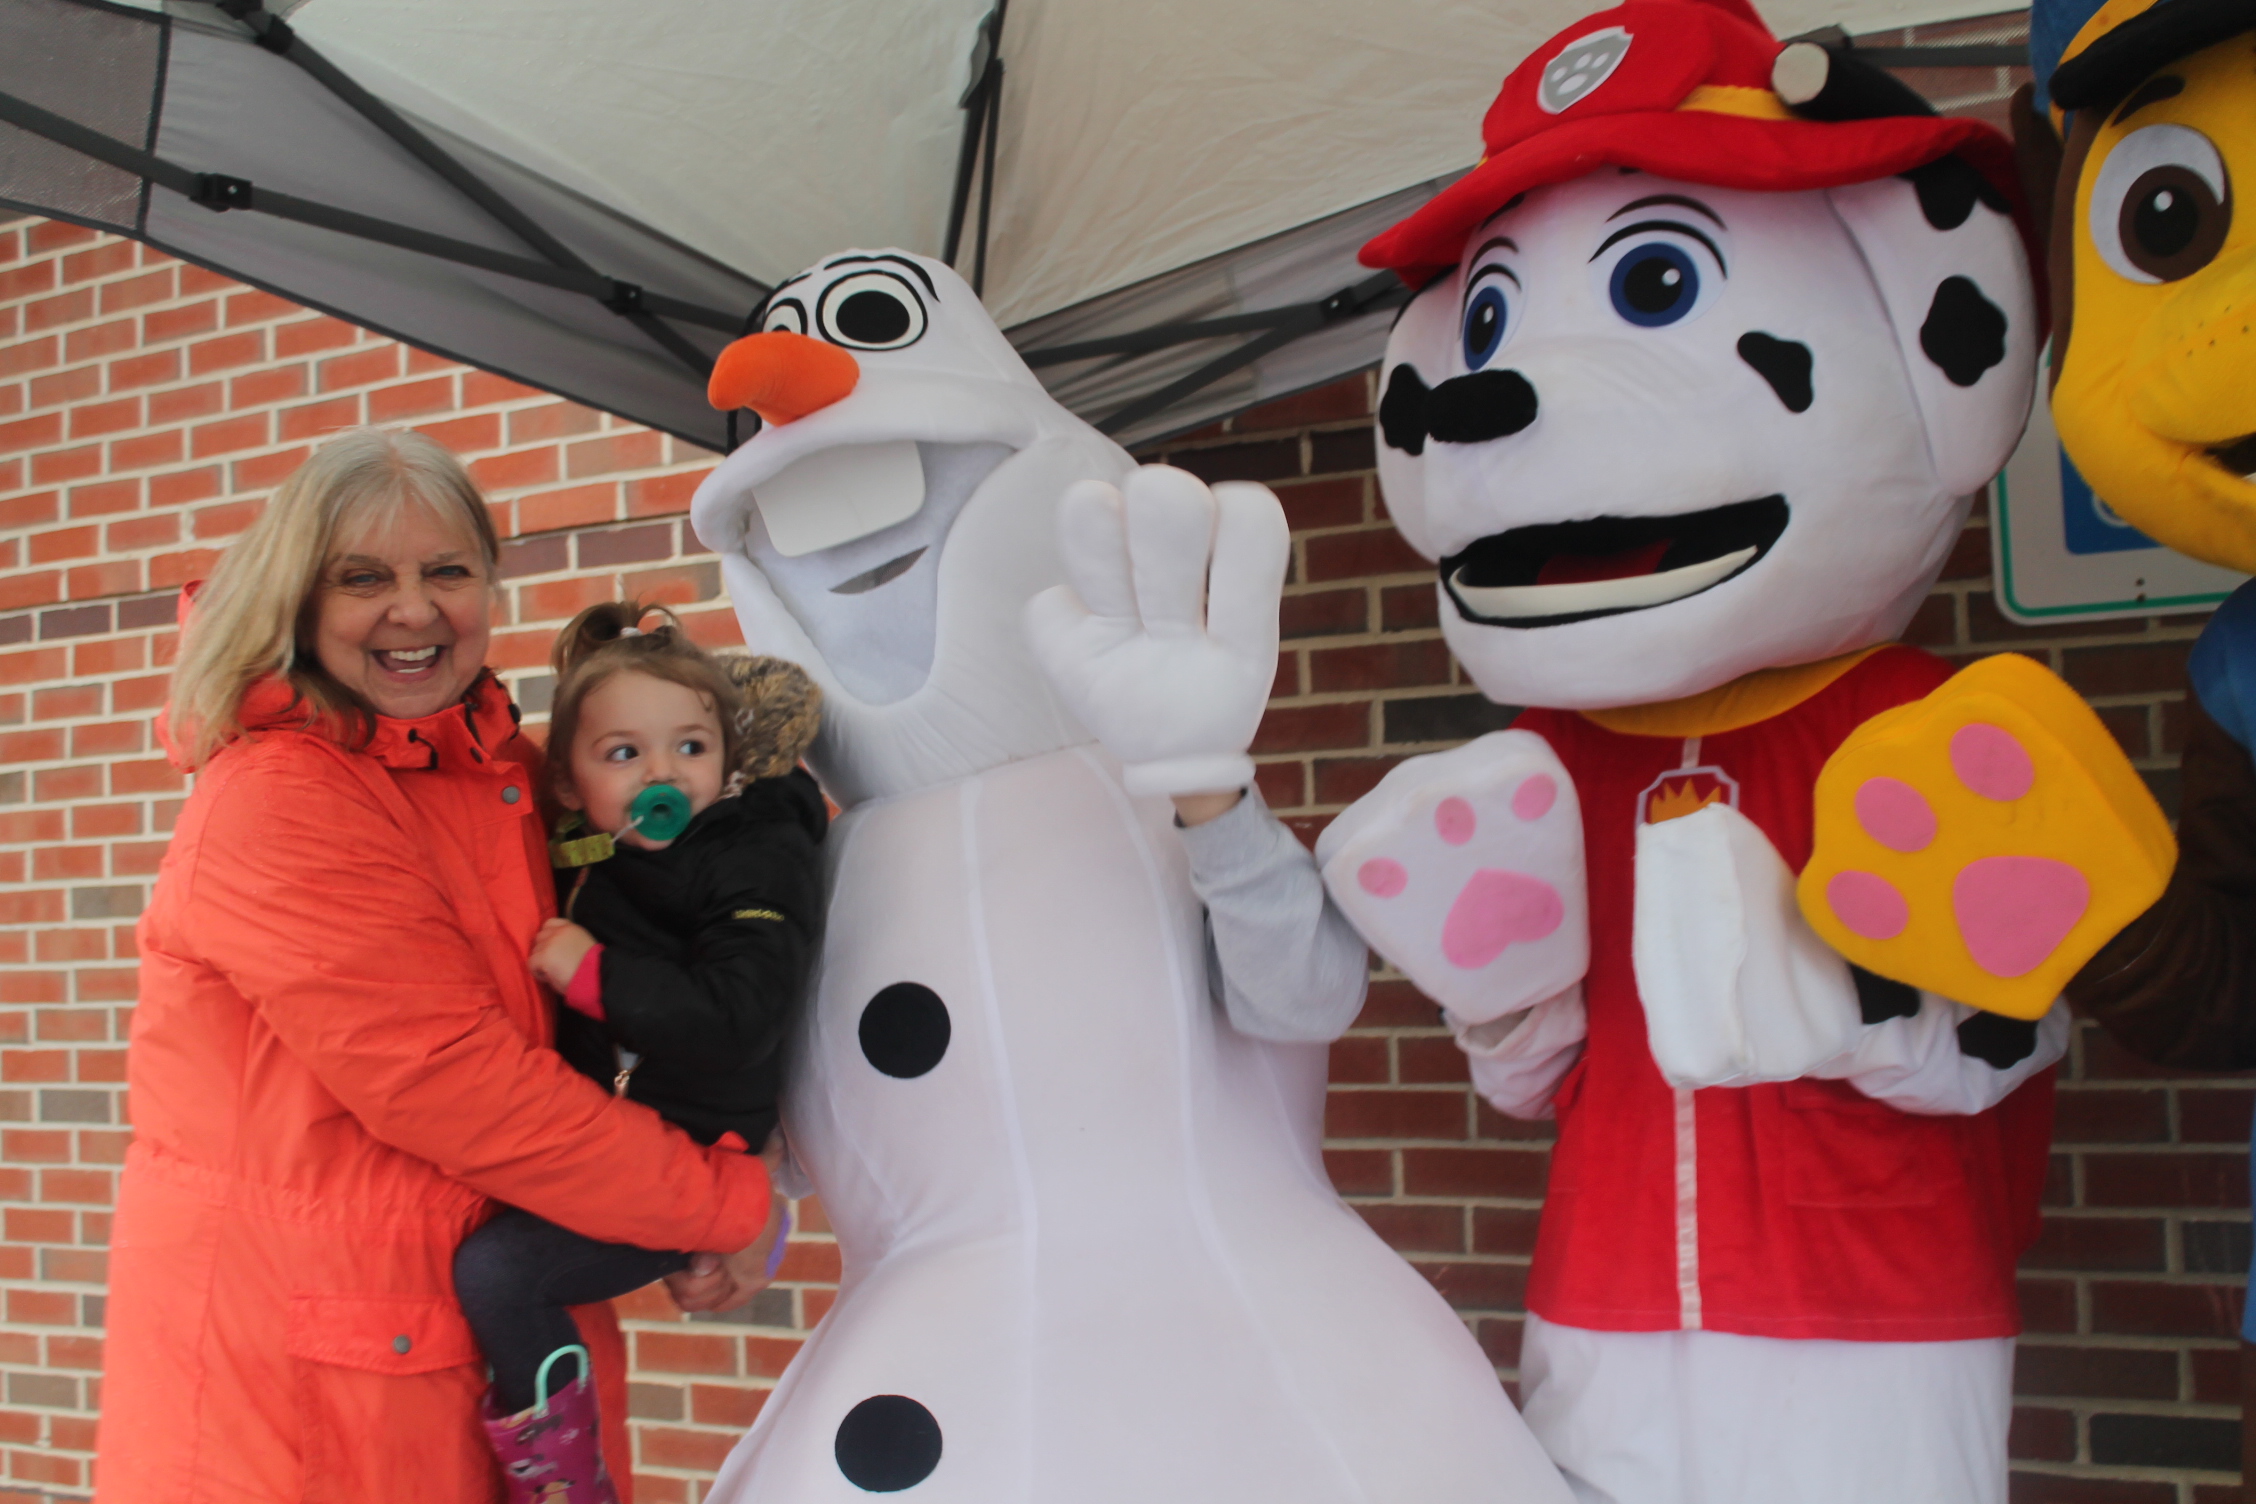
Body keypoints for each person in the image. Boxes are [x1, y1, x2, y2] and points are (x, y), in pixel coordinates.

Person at [94, 429, 782, 1504]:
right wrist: (720, 1203)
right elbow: (455, 1083)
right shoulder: (281, 797)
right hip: (305, 1403)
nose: (413, 611)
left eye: (447, 572)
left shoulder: (505, 773)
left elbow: (683, 946)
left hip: (461, 1343)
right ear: (298, 597)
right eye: (364, 577)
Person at [453, 602, 825, 1499]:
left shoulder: (750, 853)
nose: (663, 774)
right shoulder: (594, 848)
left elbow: (740, 1016)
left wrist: (594, 976)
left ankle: (566, 1479)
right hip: (618, 1139)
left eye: (691, 748)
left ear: (728, 758)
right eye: (624, 753)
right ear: (567, 782)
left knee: (500, 1272)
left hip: (694, 1152)